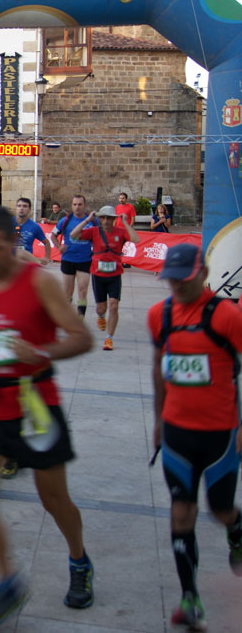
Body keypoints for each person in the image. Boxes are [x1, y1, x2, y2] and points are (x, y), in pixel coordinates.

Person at [0, 206, 94, 629]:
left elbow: (82, 338)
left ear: (14, 241)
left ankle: (79, 559)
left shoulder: (39, 282)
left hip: (36, 407)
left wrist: (41, 352)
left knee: (54, 500)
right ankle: (7, 583)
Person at [148, 243, 242, 630]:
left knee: (220, 510)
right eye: (171, 279)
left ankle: (236, 529)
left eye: (184, 279)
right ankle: (190, 598)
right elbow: (159, 366)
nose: (177, 286)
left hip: (221, 436)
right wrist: (158, 420)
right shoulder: (159, 315)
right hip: (177, 434)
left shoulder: (227, 316)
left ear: (203, 274)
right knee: (181, 512)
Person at [70, 205, 140, 351]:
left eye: (109, 218)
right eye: (103, 218)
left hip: (115, 275)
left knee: (114, 305)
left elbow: (136, 239)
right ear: (100, 219)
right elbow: (73, 235)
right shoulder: (94, 231)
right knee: (101, 308)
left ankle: (109, 338)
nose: (106, 221)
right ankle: (101, 317)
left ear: (114, 219)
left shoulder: (120, 232)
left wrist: (125, 222)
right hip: (98, 275)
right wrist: (87, 220)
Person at [50, 195, 93, 318]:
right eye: (74, 204)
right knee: (67, 293)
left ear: (85, 205)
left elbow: (98, 237)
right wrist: (59, 247)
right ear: (71, 206)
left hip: (85, 260)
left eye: (80, 204)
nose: (77, 207)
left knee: (83, 290)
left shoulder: (92, 221)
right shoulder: (65, 221)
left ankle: (80, 319)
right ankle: (67, 318)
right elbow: (53, 235)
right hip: (68, 260)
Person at [13, 197, 51, 264]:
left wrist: (47, 258)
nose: (21, 208)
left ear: (29, 210)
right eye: (19, 206)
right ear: (16, 208)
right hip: (9, 262)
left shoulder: (34, 226)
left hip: (26, 263)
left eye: (25, 206)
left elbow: (46, 242)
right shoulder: (7, 223)